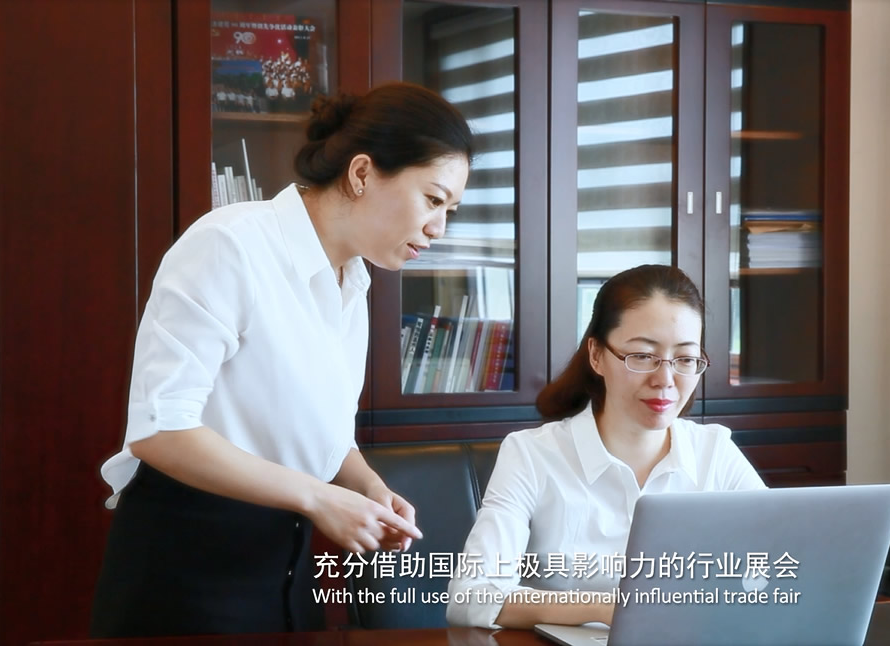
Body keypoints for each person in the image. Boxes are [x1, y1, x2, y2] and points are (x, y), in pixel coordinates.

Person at [90, 82, 474, 638]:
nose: (439, 228)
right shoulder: (231, 244)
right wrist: (318, 497)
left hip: (286, 563)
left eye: (450, 210)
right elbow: (161, 430)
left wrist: (368, 486)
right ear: (361, 173)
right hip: (188, 565)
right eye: (433, 200)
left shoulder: (351, 279)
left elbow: (320, 433)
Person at [446, 265, 767, 629]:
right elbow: (470, 596)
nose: (665, 380)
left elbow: (783, 567)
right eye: (642, 355)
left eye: (685, 359)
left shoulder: (715, 452)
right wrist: (604, 607)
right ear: (596, 355)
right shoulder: (531, 455)